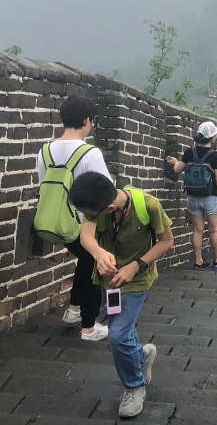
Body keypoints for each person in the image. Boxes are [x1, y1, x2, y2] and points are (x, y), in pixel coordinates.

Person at [69, 171, 174, 418]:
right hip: (109, 280)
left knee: (117, 334)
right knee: (124, 330)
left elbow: (166, 241)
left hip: (137, 278)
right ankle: (143, 354)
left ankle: (134, 385)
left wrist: (136, 264)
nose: (86, 216)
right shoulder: (95, 208)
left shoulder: (148, 205)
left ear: (107, 208)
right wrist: (98, 253)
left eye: (89, 214)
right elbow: (86, 235)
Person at [35, 95, 111, 341]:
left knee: (86, 261)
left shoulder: (45, 150)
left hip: (56, 222)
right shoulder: (90, 153)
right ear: (87, 120)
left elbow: (42, 186)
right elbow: (106, 192)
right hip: (83, 223)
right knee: (93, 267)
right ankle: (89, 327)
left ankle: (73, 310)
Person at [166, 121, 217, 270]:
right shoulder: (215, 156)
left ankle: (198, 261)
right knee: (214, 230)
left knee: (197, 230)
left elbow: (177, 170)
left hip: (193, 197)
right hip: (211, 197)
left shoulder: (190, 152)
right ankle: (216, 262)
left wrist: (176, 161)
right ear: (213, 137)